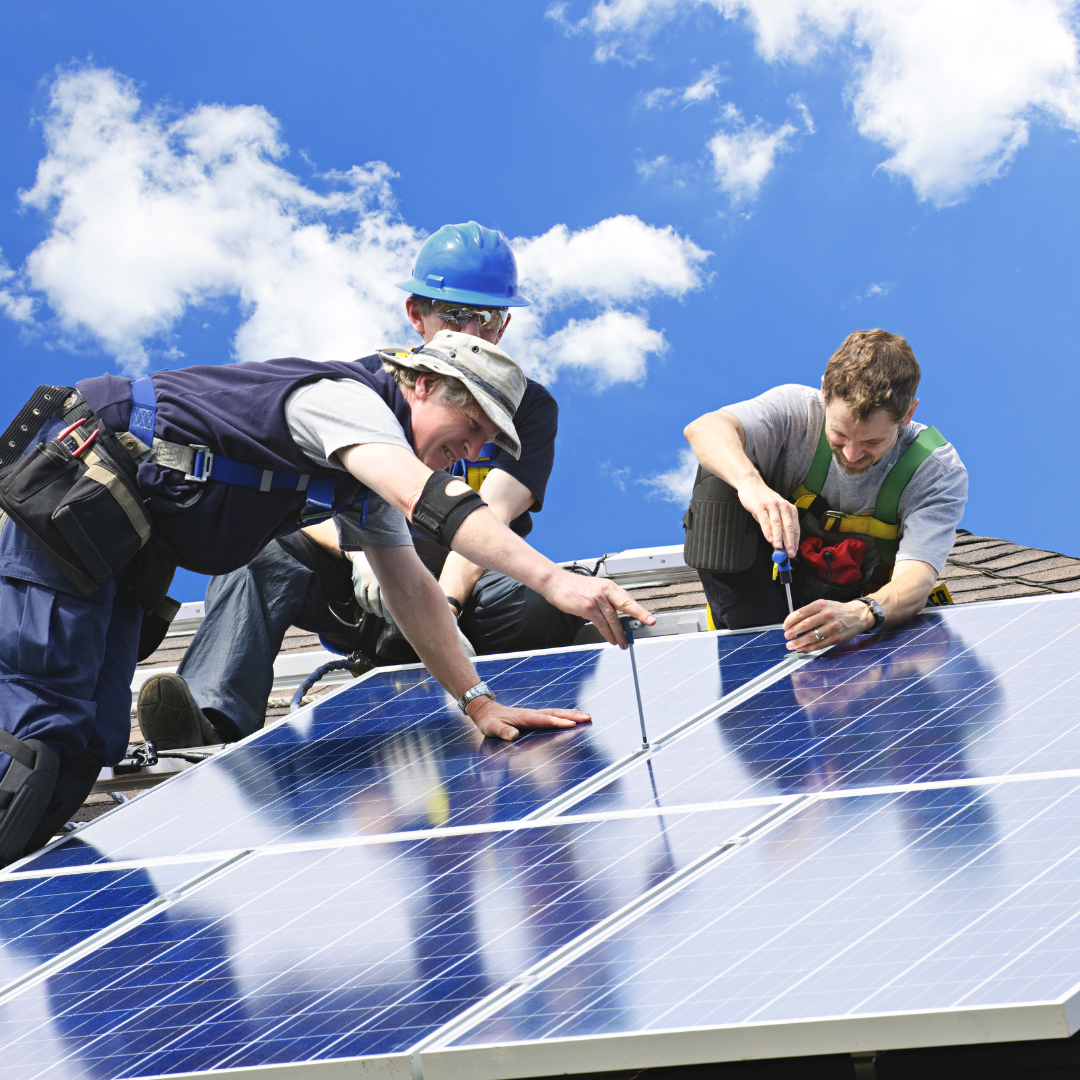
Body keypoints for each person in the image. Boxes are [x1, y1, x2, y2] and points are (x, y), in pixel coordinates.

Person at [0, 301, 652, 864]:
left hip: (123, 545)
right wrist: (554, 582)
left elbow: (411, 591)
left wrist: (479, 702)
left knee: (94, 741)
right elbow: (428, 498)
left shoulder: (360, 484)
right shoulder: (346, 402)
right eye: (474, 427)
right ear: (425, 385)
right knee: (42, 725)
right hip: (73, 494)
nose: (475, 451)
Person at [138, 221, 581, 749]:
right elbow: (306, 493)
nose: (470, 332)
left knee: (542, 600)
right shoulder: (367, 389)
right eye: (453, 314)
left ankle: (516, 708)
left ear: (503, 326)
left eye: (485, 318)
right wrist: (358, 553)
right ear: (416, 315)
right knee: (260, 551)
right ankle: (211, 723)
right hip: (364, 591)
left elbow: (491, 518)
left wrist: (444, 603)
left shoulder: (524, 409)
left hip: (464, 594)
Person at [682, 328, 967, 653]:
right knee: (719, 476)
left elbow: (916, 577)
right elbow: (704, 428)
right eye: (839, 434)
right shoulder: (795, 411)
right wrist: (750, 484)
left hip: (852, 609)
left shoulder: (934, 469)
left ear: (908, 414)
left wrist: (862, 613)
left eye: (872, 441)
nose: (851, 455)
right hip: (756, 598)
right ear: (823, 393)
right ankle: (752, 642)